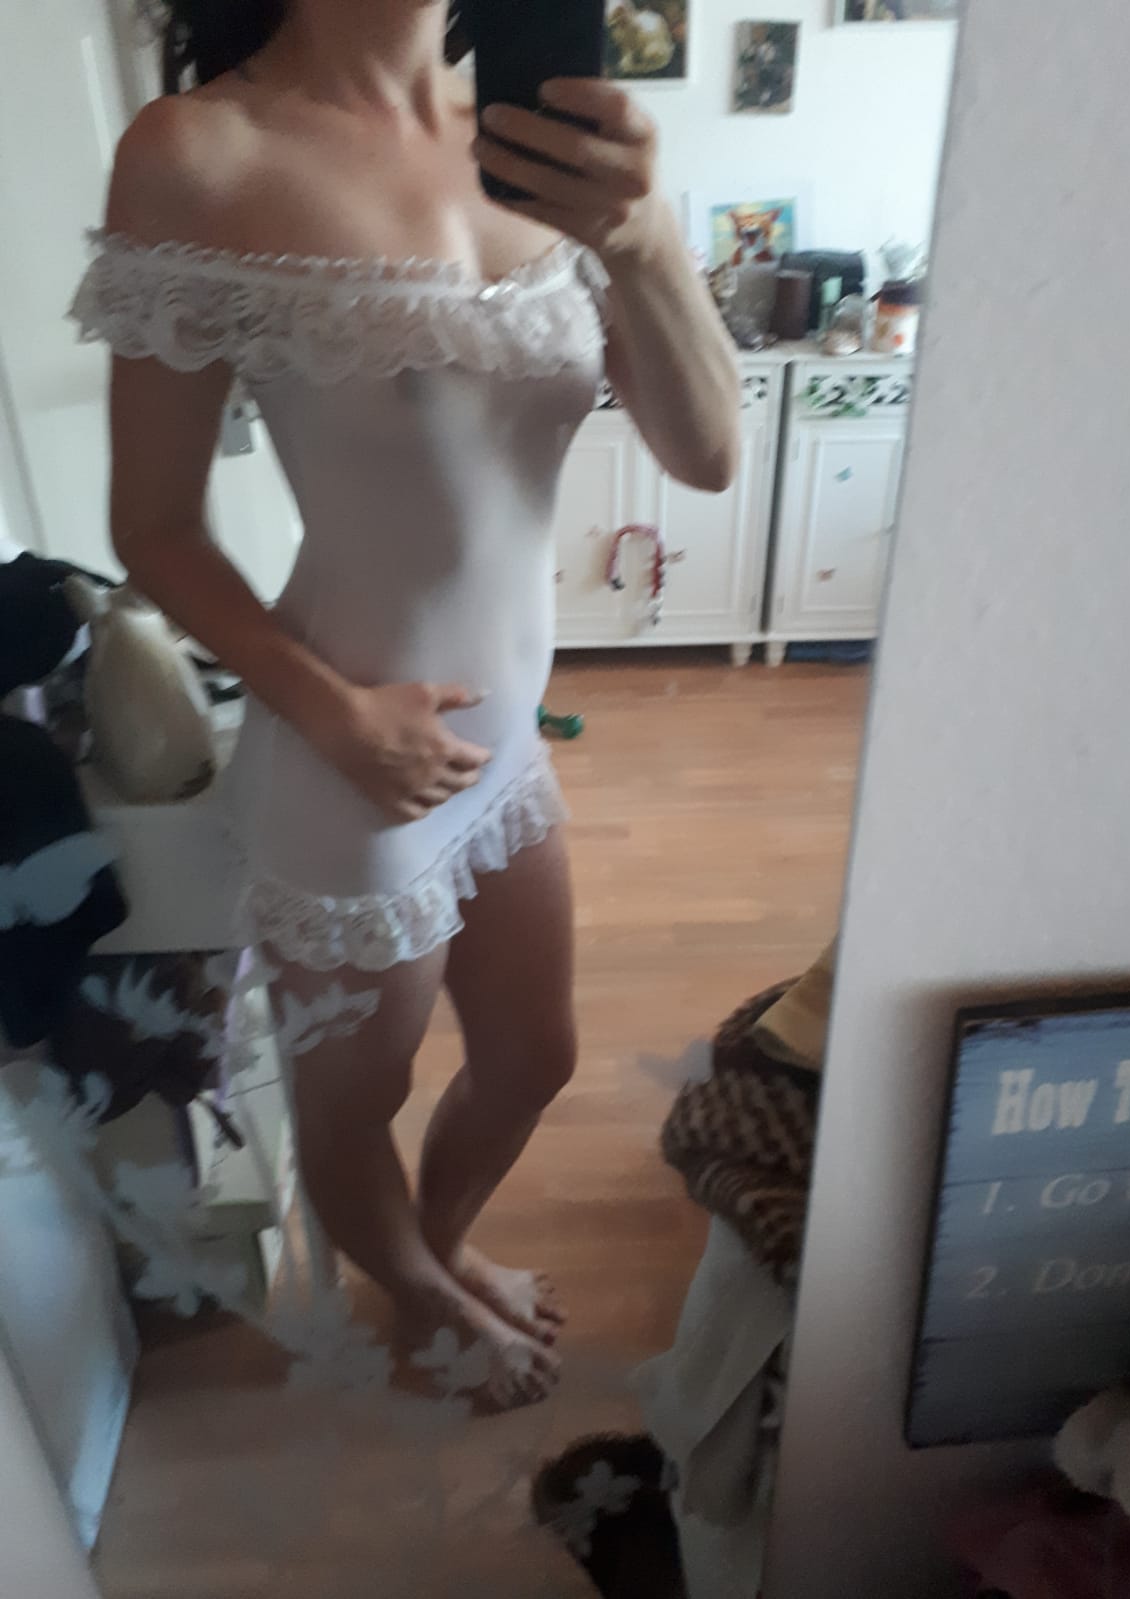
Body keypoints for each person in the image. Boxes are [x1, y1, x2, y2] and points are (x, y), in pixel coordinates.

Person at [72, 0, 740, 1409]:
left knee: (534, 1058)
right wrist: (332, 716)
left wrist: (642, 238)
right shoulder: (200, 151)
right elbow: (156, 527)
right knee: (354, 1100)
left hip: (505, 748)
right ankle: (421, 1298)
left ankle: (438, 1248)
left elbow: (708, 452)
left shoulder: (539, 137)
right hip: (345, 754)